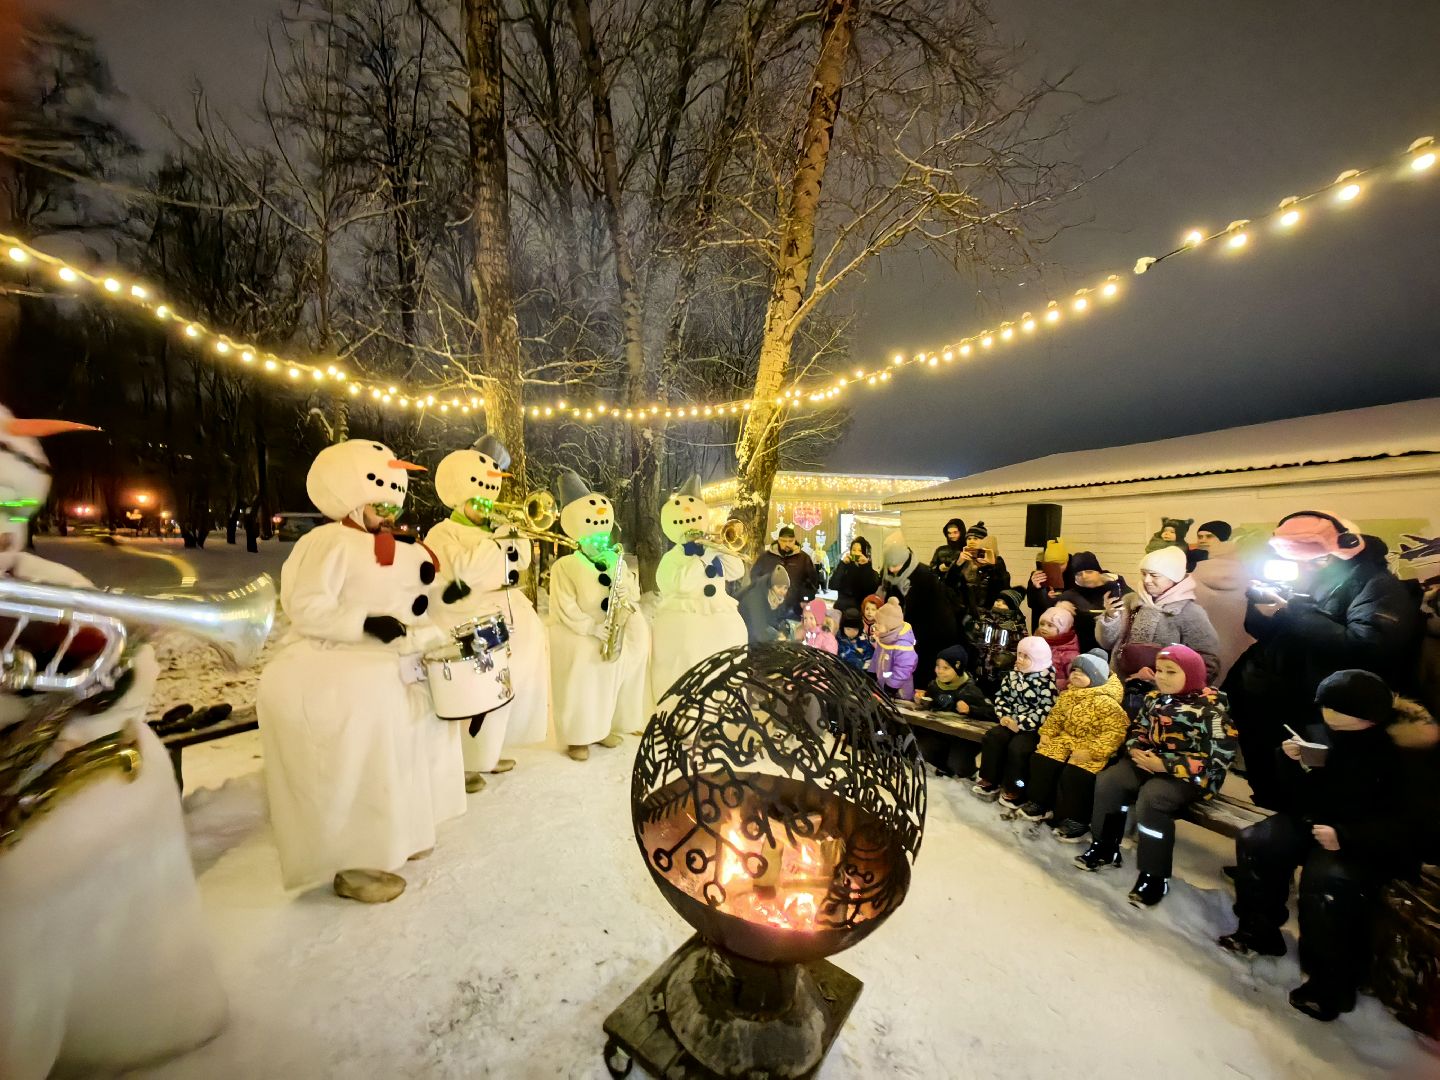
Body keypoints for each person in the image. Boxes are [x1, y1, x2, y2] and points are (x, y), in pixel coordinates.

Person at [0, 406, 229, 1079]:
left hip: (68, 776)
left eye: (16, 509)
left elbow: (122, 668)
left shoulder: (45, 588)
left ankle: (138, 1019)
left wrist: (105, 691)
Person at [258, 439, 464, 904]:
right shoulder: (326, 542)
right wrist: (363, 624)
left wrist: (440, 616)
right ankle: (356, 861)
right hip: (339, 661)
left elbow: (419, 603)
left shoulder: (405, 547)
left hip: (395, 662)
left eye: (394, 496)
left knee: (417, 734)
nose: (388, 507)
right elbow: (306, 607)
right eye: (378, 497)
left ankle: (403, 833)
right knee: (368, 739)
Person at [1220, 670, 1436, 1022]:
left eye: (1334, 708)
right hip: (1312, 821)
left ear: (1364, 715)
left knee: (1328, 885)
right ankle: (1258, 929)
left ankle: (1329, 987)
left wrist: (1347, 836)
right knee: (1258, 842)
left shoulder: (1404, 756)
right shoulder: (1324, 734)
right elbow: (1296, 794)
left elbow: (1413, 827)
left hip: (1364, 842)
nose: (1324, 713)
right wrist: (1290, 761)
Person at [1226, 511, 1420, 809]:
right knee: (1271, 772)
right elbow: (1264, 631)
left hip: (1324, 708)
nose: (1305, 567)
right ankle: (1272, 819)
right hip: (1271, 699)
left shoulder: (1377, 586)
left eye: (1317, 559)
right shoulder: (1302, 576)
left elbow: (1369, 648)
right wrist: (1263, 612)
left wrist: (1294, 611)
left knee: (1318, 783)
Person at [425, 435, 550, 792]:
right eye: (477, 500)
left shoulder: (495, 531)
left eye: (487, 499)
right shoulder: (443, 532)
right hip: (467, 620)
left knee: (504, 692)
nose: (484, 507)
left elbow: (521, 562)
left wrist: (511, 539)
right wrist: (497, 545)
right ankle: (465, 764)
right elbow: (466, 571)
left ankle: (489, 754)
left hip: (508, 615)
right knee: (475, 695)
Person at [1077, 644, 1236, 907]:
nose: (1162, 677)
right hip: (1148, 762)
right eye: (1160, 670)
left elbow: (1217, 758)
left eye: (1171, 672)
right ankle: (1105, 846)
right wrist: (1137, 750)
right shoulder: (1154, 699)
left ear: (1192, 674)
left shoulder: (1211, 712)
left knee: (1153, 799)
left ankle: (1154, 875)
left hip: (1188, 777)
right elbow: (1138, 730)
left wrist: (1166, 764)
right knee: (1111, 781)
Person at [546, 469, 651, 760]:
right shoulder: (565, 566)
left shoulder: (615, 559)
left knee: (609, 677)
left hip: (609, 630)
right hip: (578, 633)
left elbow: (631, 591)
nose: (598, 539)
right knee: (585, 672)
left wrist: (626, 601)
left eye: (602, 531)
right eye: (592, 531)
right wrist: (590, 628)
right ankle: (578, 736)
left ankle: (602, 727)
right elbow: (565, 607)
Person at [649, 475, 748, 703]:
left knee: (734, 641)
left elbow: (737, 571)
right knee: (689, 649)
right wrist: (700, 558)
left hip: (718, 611)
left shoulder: (712, 549)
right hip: (685, 614)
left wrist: (721, 548)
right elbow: (682, 585)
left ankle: (724, 705)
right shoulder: (672, 558)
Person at [1018, 650, 1130, 841]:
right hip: (1066, 739)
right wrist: (1047, 733)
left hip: (1090, 747)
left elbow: (1114, 732)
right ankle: (1040, 802)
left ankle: (1076, 819)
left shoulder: (1107, 703)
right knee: (1043, 759)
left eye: (1084, 672)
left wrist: (1093, 751)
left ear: (1096, 678)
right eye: (1074, 670)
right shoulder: (1068, 695)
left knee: (1076, 775)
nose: (1076, 674)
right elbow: (1055, 717)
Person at [1098, 545, 1221, 714]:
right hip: (1121, 689)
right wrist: (1110, 617)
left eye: (1154, 575)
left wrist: (1161, 680)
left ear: (1174, 577)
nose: (1147, 580)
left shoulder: (1190, 612)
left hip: (1166, 704)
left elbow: (1207, 661)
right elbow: (1107, 642)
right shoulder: (1129, 602)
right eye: (1144, 573)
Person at [971, 636, 1058, 805]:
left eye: (1026, 657)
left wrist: (1021, 723)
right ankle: (989, 778)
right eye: (1019, 654)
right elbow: (1002, 697)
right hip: (1010, 721)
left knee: (1018, 749)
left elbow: (1045, 711)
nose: (1020, 659)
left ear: (1038, 660)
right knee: (993, 737)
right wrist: (1004, 715)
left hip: (1033, 728)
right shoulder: (1012, 676)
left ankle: (1016, 787)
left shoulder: (1047, 683)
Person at [880, 535, 959, 684]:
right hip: (903, 635)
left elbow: (931, 616)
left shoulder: (923, 576)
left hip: (929, 635)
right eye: (890, 566)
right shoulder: (888, 575)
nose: (892, 569)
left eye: (896, 565)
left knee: (919, 673)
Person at [912, 643, 997, 777]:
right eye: (938, 666)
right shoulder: (935, 685)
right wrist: (923, 698)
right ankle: (943, 766)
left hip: (963, 738)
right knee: (921, 748)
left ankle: (966, 771)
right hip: (940, 732)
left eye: (946, 668)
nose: (940, 671)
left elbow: (992, 713)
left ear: (958, 668)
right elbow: (934, 703)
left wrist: (970, 710)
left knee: (958, 765)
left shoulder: (970, 690)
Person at [1189, 520, 1253, 684]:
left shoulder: (1192, 570)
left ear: (1223, 539)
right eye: (1200, 536)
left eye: (1209, 536)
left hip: (1207, 637)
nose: (1203, 539)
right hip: (1236, 638)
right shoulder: (1245, 568)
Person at [1029, 551, 1131, 653]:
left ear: (1098, 572)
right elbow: (1045, 610)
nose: (1084, 576)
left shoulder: (1118, 591)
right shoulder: (1070, 595)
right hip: (1081, 652)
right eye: (1079, 573)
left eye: (1089, 571)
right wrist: (1039, 590)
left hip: (1114, 653)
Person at [750, 526, 819, 621]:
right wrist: (765, 593)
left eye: (790, 541)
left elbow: (812, 582)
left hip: (795, 608)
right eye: (783, 541)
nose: (787, 544)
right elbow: (755, 576)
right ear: (778, 540)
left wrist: (804, 599)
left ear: (795, 540)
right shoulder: (765, 557)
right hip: (768, 606)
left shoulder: (804, 559)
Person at [969, 588, 1028, 695]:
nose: (999, 604)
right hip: (981, 669)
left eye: (1004, 603)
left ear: (1012, 606)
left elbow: (1020, 648)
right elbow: (975, 638)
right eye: (998, 601)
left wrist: (1008, 657)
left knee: (996, 696)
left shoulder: (1016, 626)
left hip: (1001, 673)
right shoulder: (985, 620)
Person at [954, 521, 1011, 615]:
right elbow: (949, 583)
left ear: (984, 540)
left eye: (976, 538)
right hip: (963, 611)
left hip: (985, 612)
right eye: (969, 538)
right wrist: (957, 564)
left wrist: (993, 566)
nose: (971, 541)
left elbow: (1004, 588)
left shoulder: (996, 560)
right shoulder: (962, 558)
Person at [868, 596, 918, 700]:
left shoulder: (902, 644)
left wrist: (891, 686)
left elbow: (904, 668)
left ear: (889, 626)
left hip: (899, 692)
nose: (875, 625)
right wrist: (871, 673)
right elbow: (877, 657)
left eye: (879, 623)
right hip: (883, 688)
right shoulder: (884, 638)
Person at [739, 565, 792, 643]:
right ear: (771, 586)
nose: (782, 591)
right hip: (745, 640)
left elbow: (780, 620)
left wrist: (783, 631)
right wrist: (777, 636)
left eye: (785, 588)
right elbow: (758, 630)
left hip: (760, 641)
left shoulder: (778, 600)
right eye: (779, 587)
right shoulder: (755, 598)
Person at [831, 535, 880, 614]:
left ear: (866, 553)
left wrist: (866, 566)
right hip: (841, 610)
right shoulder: (845, 568)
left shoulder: (871, 572)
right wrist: (842, 564)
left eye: (860, 551)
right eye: (853, 550)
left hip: (860, 613)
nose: (856, 553)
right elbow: (833, 585)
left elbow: (870, 590)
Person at [1037, 604, 1080, 689]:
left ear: (1063, 628)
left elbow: (1072, 679)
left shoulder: (1070, 654)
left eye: (1050, 625)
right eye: (1042, 624)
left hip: (1058, 691)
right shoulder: (1036, 643)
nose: (1044, 628)